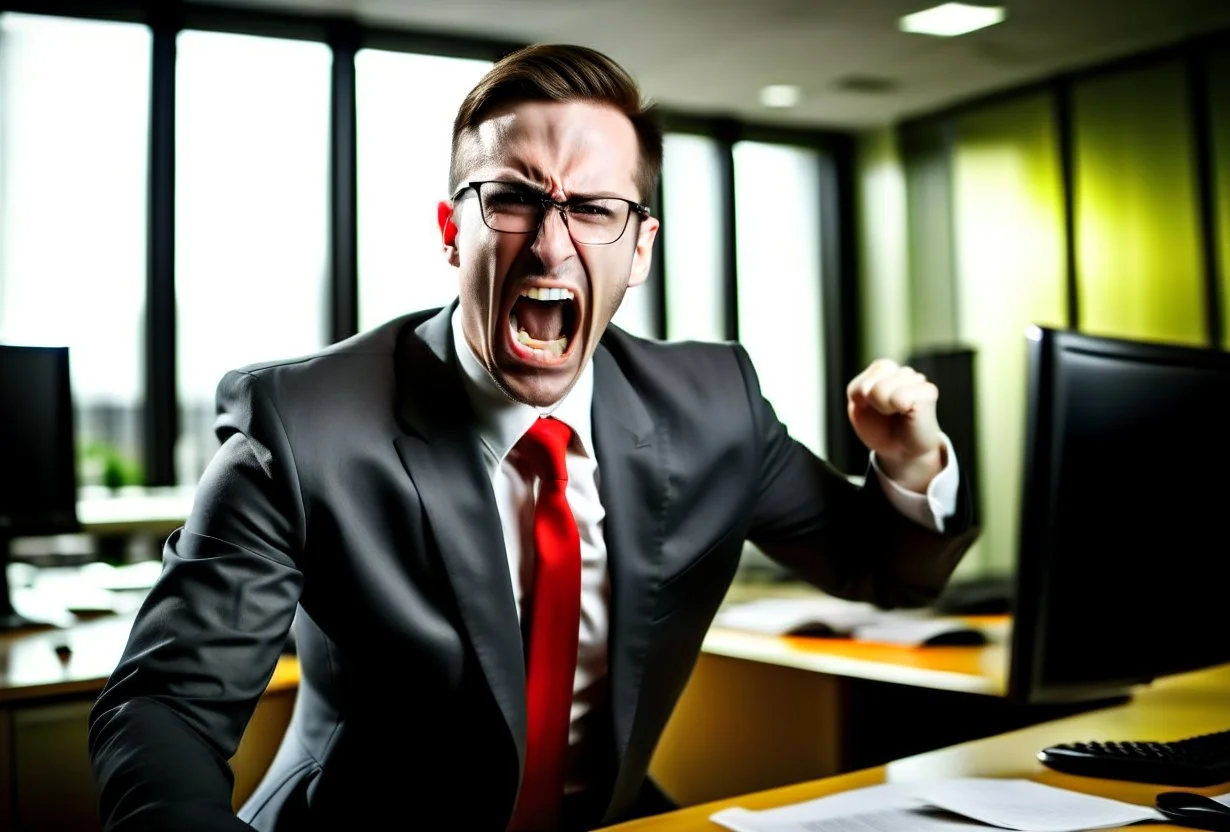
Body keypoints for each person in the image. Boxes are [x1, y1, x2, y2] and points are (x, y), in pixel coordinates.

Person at [87, 42, 978, 832]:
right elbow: (164, 708)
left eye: (594, 209)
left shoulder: (715, 407)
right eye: (512, 199)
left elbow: (889, 570)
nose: (552, 246)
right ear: (452, 231)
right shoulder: (301, 424)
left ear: (641, 249)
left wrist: (909, 462)